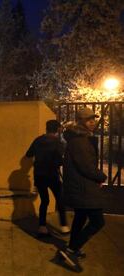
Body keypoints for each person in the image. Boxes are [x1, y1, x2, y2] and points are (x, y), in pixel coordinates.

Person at [59, 108, 107, 272]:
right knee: (97, 222)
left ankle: (73, 247)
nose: (92, 122)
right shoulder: (80, 141)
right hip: (83, 187)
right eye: (88, 120)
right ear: (80, 121)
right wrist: (101, 177)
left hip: (80, 186)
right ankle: (71, 250)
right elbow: (86, 167)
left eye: (93, 119)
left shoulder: (80, 138)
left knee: (80, 217)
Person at [25, 120, 69, 237]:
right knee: (60, 199)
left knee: (44, 201)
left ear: (47, 128)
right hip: (52, 174)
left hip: (39, 175)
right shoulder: (58, 142)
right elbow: (60, 160)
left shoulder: (38, 140)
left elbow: (28, 154)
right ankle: (64, 226)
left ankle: (42, 227)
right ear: (58, 129)